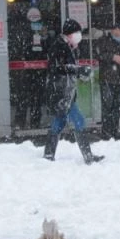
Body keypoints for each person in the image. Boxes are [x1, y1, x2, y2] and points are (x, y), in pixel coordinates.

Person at [43, 19, 104, 164]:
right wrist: (77, 69)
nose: (79, 35)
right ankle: (88, 156)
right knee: (79, 120)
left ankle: (48, 154)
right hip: (60, 91)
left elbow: (67, 68)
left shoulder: (68, 46)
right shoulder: (58, 46)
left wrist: (79, 71)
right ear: (69, 34)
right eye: (76, 32)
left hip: (65, 91)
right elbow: (58, 68)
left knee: (60, 120)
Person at [95, 21, 120, 140]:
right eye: (116, 29)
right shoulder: (104, 41)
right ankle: (106, 131)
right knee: (107, 105)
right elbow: (99, 54)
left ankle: (115, 129)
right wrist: (113, 57)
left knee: (118, 105)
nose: (118, 32)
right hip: (107, 78)